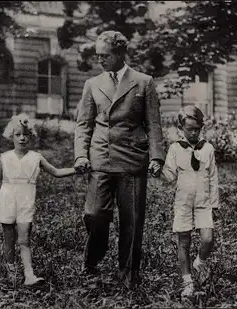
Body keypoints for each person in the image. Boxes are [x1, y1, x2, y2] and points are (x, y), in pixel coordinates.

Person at [74, 30, 166, 289]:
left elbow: (154, 124)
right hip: (100, 158)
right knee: (93, 215)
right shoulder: (92, 84)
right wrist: (81, 154)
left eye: (105, 55)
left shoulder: (143, 82)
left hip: (132, 160)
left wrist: (157, 157)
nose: (100, 60)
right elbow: (83, 125)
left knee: (132, 221)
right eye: (98, 56)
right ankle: (92, 259)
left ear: (119, 54)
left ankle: (128, 272)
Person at [0, 113, 84, 286]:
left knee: (24, 239)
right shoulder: (5, 157)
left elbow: (56, 172)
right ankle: (11, 272)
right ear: (11, 136)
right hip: (8, 198)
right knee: (8, 238)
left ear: (31, 135)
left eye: (26, 134)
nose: (22, 138)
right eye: (18, 135)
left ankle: (29, 275)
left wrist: (76, 169)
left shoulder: (36, 158)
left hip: (26, 200)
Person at [158, 105, 219, 298]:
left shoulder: (208, 149)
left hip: (203, 202)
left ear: (201, 127)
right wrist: (156, 170)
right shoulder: (175, 149)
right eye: (189, 129)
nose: (193, 132)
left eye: (197, 129)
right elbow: (169, 175)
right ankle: (188, 282)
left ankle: (199, 262)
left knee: (208, 239)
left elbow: (213, 177)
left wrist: (215, 204)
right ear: (181, 128)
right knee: (183, 242)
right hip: (183, 202)